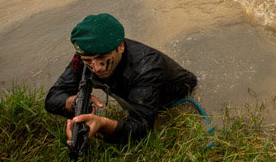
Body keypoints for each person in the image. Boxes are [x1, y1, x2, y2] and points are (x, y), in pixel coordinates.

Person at [45, 13, 198, 144]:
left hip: (174, 95)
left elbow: (142, 128)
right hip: (131, 91)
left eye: (102, 58)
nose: (96, 67)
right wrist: (73, 103)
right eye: (88, 61)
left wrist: (103, 125)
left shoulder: (147, 67)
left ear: (121, 47)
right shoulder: (83, 59)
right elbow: (52, 98)